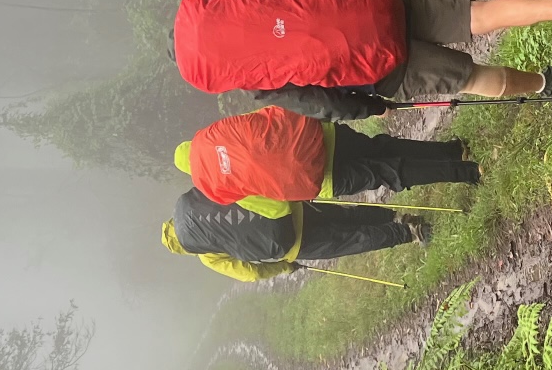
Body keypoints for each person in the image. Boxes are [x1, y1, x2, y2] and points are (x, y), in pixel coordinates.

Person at [171, 0, 552, 118]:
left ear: (217, 75)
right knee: (475, 16)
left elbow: (320, 103)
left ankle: (551, 84)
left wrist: (369, 107)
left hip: (377, 65)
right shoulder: (242, 0)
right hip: (372, 5)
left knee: (472, 77)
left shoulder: (254, 80)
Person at [163, 104, 477, 281]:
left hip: (304, 207)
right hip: (314, 138)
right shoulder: (214, 138)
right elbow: (263, 117)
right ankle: (452, 150)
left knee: (359, 221)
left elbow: (249, 269)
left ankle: (414, 224)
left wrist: (284, 265)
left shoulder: (208, 232)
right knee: (380, 149)